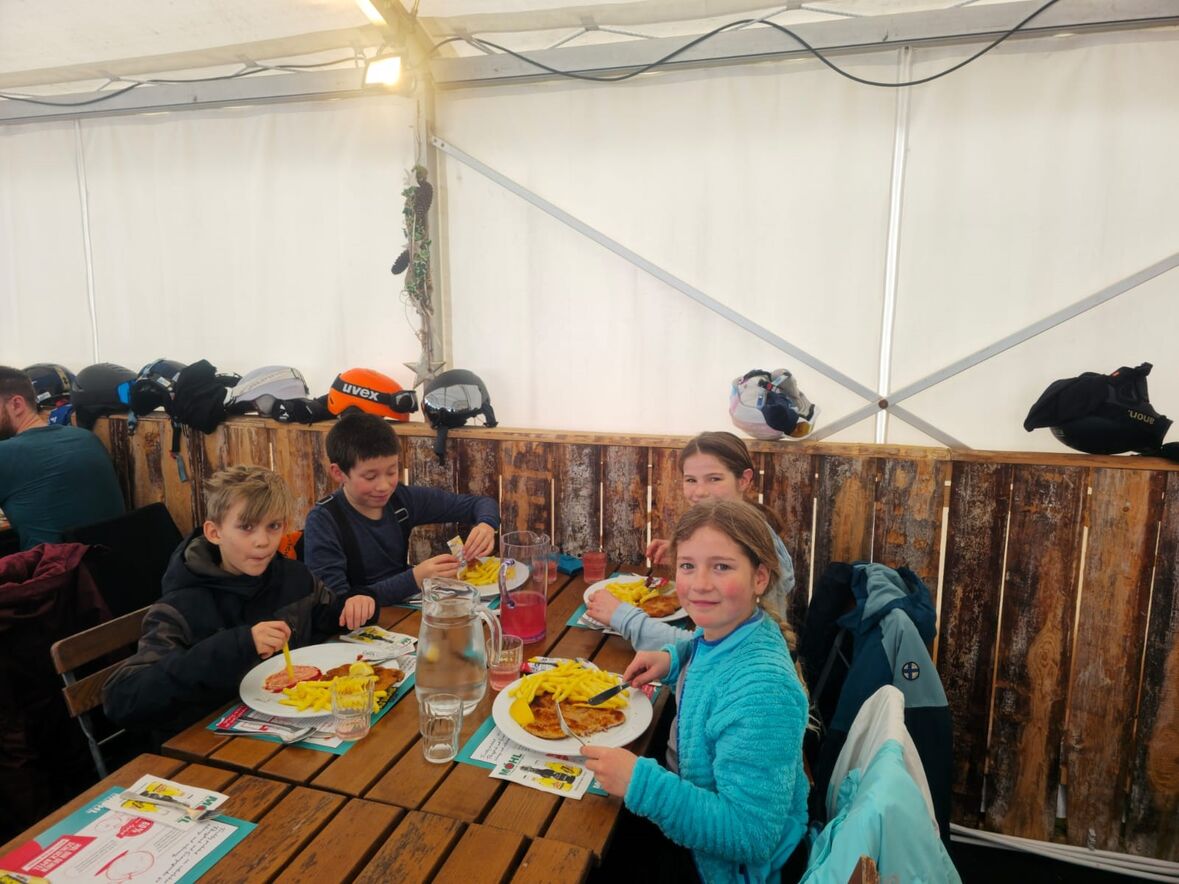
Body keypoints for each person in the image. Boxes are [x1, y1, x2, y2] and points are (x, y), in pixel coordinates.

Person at [583, 499, 809, 883]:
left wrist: (640, 784)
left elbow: (752, 836)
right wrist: (675, 659)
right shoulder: (733, 627)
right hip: (688, 799)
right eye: (688, 566)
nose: (700, 583)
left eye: (722, 567)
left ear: (759, 578)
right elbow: (711, 653)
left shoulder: (764, 692)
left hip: (722, 867)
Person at [103, 466, 377, 734]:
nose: (262, 541)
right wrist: (237, 645)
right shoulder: (180, 607)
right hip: (211, 743)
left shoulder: (295, 577)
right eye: (246, 527)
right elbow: (123, 699)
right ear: (214, 532)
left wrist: (357, 602)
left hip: (300, 728)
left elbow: (329, 616)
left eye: (273, 526)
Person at [586, 431, 795, 650]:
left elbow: (712, 647)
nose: (700, 492)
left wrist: (624, 617)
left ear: (743, 480)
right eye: (691, 480)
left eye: (714, 479)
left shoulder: (757, 542)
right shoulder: (734, 526)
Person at [303, 411, 500, 606]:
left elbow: (480, 504)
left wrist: (486, 525)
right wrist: (415, 578)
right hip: (359, 623)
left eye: (391, 471)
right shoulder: (324, 521)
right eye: (370, 477)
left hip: (404, 610)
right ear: (338, 473)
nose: (384, 486)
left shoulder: (400, 499)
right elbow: (333, 605)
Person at [0, 365, 124, 549]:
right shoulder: (85, 437)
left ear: (16, 405)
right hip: (111, 560)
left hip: (53, 566)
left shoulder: (7, 453)